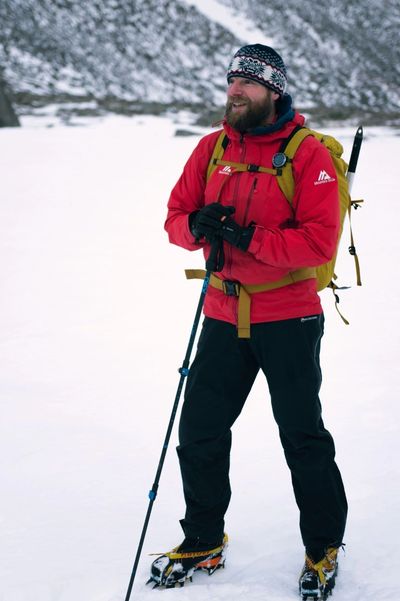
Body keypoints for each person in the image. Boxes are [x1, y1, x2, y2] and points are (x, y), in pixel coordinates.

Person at [148, 44, 347, 599]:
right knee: (200, 432)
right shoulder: (212, 149)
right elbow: (174, 219)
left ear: (274, 90)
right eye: (232, 79)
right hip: (221, 312)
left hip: (288, 315)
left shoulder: (308, 156)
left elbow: (316, 242)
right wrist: (198, 225)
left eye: (248, 82)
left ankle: (324, 546)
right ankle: (204, 538)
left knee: (302, 438)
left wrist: (248, 238)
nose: (235, 90)